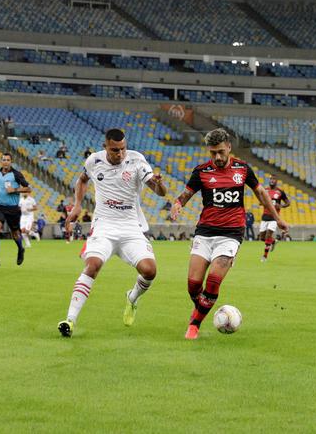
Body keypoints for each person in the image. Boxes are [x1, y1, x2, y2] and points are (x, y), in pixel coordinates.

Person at [169, 128, 288, 340]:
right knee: (193, 286)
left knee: (213, 280)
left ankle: (194, 324)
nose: (217, 157)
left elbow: (261, 193)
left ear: (229, 147)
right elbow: (186, 194)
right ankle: (206, 308)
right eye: (213, 152)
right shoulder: (201, 171)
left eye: (221, 151)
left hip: (231, 234)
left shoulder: (242, 169)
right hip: (204, 233)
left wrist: (277, 219)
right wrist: (178, 204)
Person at [58, 128, 167, 338]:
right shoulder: (94, 161)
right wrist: (78, 205)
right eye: (115, 150)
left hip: (130, 227)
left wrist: (160, 184)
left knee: (150, 271)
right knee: (93, 265)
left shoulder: (136, 160)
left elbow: (160, 192)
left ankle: (133, 297)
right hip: (104, 226)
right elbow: (82, 180)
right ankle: (70, 320)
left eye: (123, 149)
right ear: (105, 147)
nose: (120, 154)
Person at [0, 152, 29, 268]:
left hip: (12, 209)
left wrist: (14, 190)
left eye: (8, 160)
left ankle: (20, 249)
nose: (5, 162)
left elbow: (28, 188)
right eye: (3, 159)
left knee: (15, 234)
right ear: (1, 161)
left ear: (11, 162)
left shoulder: (16, 174)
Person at [260, 177, 291, 262]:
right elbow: (261, 201)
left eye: (273, 179)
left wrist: (281, 206)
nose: (272, 181)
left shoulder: (280, 192)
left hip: (274, 217)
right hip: (264, 217)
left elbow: (288, 203)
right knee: (262, 238)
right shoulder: (265, 190)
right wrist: (262, 202)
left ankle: (265, 256)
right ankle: (273, 241)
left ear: (276, 181)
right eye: (270, 179)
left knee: (268, 235)